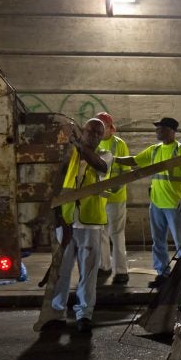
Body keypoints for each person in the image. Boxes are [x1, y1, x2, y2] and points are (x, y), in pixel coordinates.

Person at [50, 118, 112, 333]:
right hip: (67, 220)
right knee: (62, 270)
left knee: (88, 272)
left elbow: (100, 166)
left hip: (90, 223)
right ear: (83, 132)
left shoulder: (105, 155)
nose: (93, 136)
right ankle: (56, 311)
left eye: (98, 133)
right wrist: (58, 218)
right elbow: (58, 186)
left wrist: (79, 144)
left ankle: (84, 314)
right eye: (90, 131)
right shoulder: (69, 155)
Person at [115, 117, 181, 288]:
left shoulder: (180, 150)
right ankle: (162, 273)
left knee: (180, 241)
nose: (157, 131)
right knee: (158, 241)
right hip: (157, 204)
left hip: (174, 204)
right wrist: (114, 159)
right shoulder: (154, 150)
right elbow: (135, 160)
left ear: (171, 131)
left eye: (161, 128)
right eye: (157, 129)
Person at [95, 112, 131, 286]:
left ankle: (121, 271)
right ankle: (104, 266)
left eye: (104, 126)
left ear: (111, 128)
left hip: (116, 197)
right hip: (99, 198)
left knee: (116, 234)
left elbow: (126, 170)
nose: (102, 130)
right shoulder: (94, 144)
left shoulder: (119, 145)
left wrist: (116, 187)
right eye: (99, 126)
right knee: (100, 233)